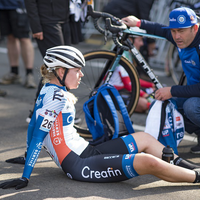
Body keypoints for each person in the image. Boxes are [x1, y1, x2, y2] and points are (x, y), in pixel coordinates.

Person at [1, 45, 200, 190]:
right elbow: (37, 136)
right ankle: (195, 176)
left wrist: (27, 155)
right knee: (148, 161)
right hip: (79, 165)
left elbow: (33, 125)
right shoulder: (57, 99)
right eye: (77, 70)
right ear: (61, 71)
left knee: (145, 139)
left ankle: (189, 167)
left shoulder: (48, 90)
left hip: (88, 151)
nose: (81, 75)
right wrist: (25, 177)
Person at [122, 7, 200, 153]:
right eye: (174, 31)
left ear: (194, 28)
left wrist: (172, 90)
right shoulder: (182, 38)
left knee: (191, 106)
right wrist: (138, 23)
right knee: (169, 103)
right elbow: (162, 30)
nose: (176, 36)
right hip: (195, 91)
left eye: (181, 31)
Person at [109, 27, 155, 113]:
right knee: (144, 103)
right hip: (115, 91)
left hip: (123, 89)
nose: (142, 44)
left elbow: (133, 79)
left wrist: (150, 85)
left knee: (153, 91)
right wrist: (144, 95)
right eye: (140, 40)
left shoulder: (128, 53)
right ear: (130, 39)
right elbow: (128, 84)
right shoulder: (123, 55)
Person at [0, 0, 36, 88]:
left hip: (19, 4)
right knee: (10, 37)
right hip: (3, 6)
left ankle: (29, 74)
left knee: (24, 38)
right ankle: (14, 73)